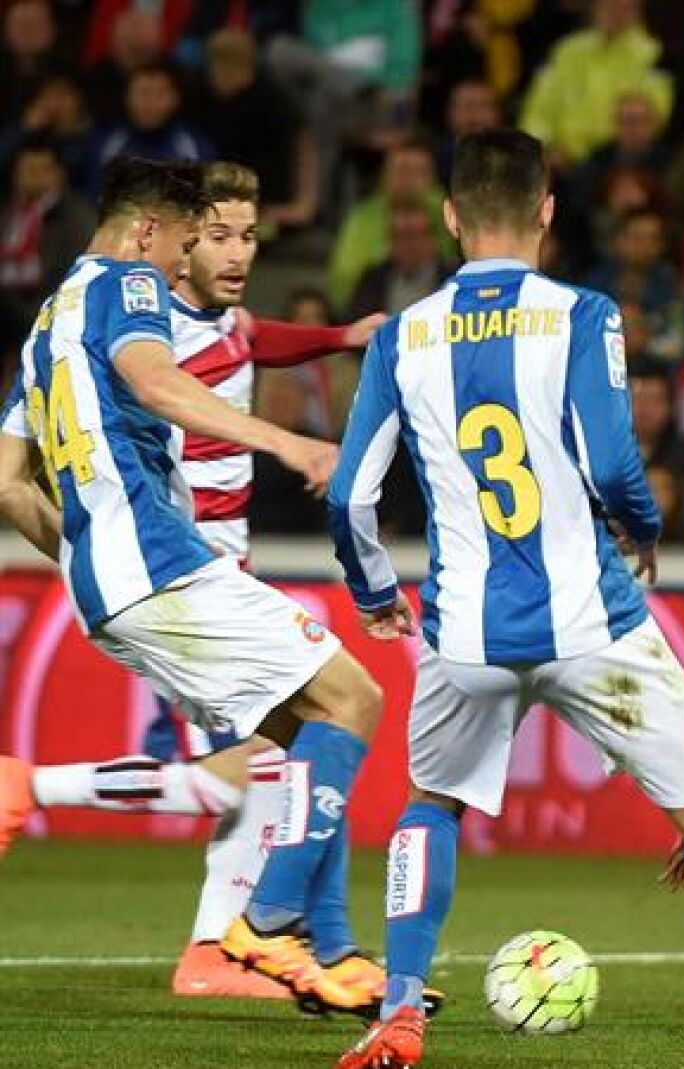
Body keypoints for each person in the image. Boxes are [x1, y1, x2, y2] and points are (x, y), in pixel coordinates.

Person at [328, 130, 684, 1069]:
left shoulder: (403, 335)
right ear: (548, 209)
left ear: (449, 216)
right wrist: (639, 530)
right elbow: (611, 459)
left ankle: (397, 1014)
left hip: (464, 627)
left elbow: (352, 491)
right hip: (593, 618)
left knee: (430, 802)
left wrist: (372, 592)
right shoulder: (581, 313)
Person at [0, 157, 382, 1015]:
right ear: (145, 230)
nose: (181, 267)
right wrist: (292, 443)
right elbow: (157, 382)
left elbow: (6, 483)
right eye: (183, 243)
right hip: (166, 563)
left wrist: (90, 557)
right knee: (354, 698)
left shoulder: (45, 325)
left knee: (303, 740)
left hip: (114, 583)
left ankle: (330, 953)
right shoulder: (127, 284)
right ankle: (268, 926)